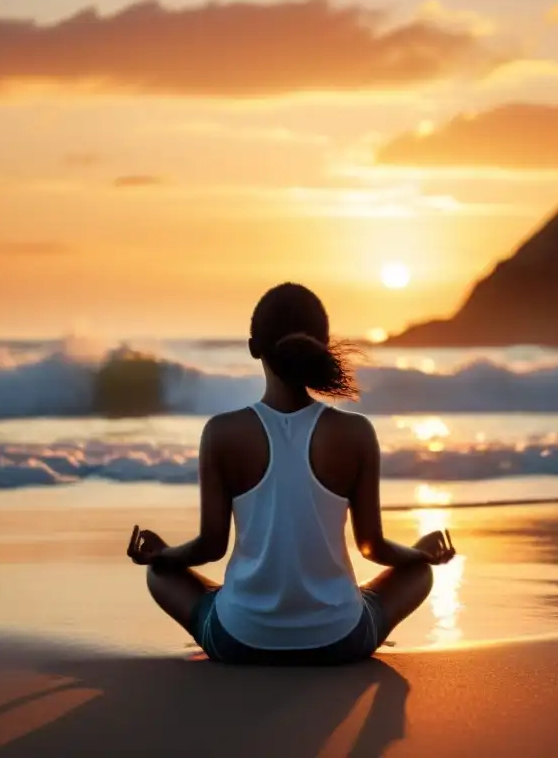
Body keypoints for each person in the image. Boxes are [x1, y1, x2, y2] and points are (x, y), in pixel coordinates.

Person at [127, 282, 456, 665]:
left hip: (240, 642)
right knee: (419, 574)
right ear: (324, 343)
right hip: (341, 641)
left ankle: (248, 613)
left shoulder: (221, 433)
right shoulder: (356, 432)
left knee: (159, 575)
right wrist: (419, 554)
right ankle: (329, 611)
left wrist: (164, 555)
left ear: (254, 348)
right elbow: (374, 548)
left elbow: (210, 547)